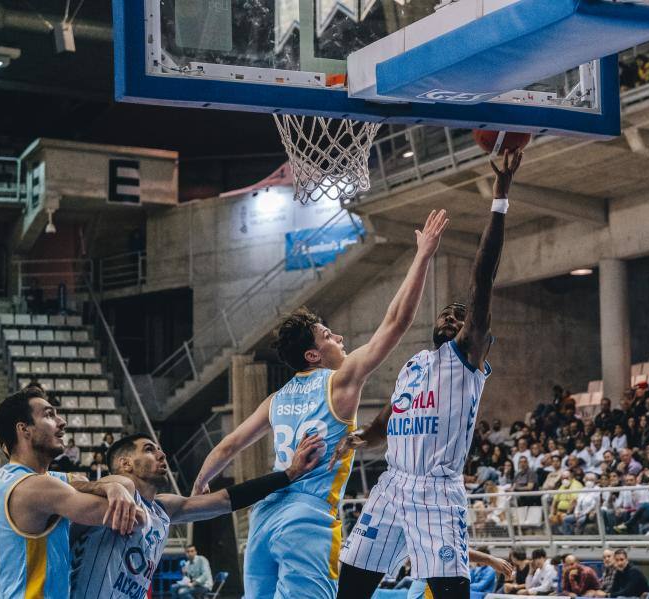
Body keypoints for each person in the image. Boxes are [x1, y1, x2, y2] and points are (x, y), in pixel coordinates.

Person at [192, 209, 449, 599]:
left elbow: (229, 446)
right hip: (306, 518)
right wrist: (423, 255)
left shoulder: (276, 399)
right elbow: (395, 322)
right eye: (329, 336)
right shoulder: (340, 381)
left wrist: (200, 483)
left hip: (263, 514)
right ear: (313, 355)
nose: (340, 338)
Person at [335, 151, 523, 599]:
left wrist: (500, 198)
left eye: (460, 317)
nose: (451, 318)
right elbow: (390, 417)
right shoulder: (415, 364)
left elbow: (483, 280)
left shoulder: (466, 359)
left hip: (437, 491)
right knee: (350, 589)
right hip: (392, 483)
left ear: (478, 336)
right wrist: (362, 437)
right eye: (446, 315)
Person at [70, 432, 323, 598]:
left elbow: (225, 500)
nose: (161, 454)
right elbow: (56, 487)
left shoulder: (163, 508)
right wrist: (104, 484)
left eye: (159, 448)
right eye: (149, 449)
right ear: (125, 464)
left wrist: (288, 474)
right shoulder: (107, 494)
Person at [0, 383, 142, 598]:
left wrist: (110, 485)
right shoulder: (35, 488)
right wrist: (115, 486)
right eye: (49, 415)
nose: (62, 422)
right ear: (24, 430)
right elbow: (134, 517)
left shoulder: (3, 479)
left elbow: (76, 481)